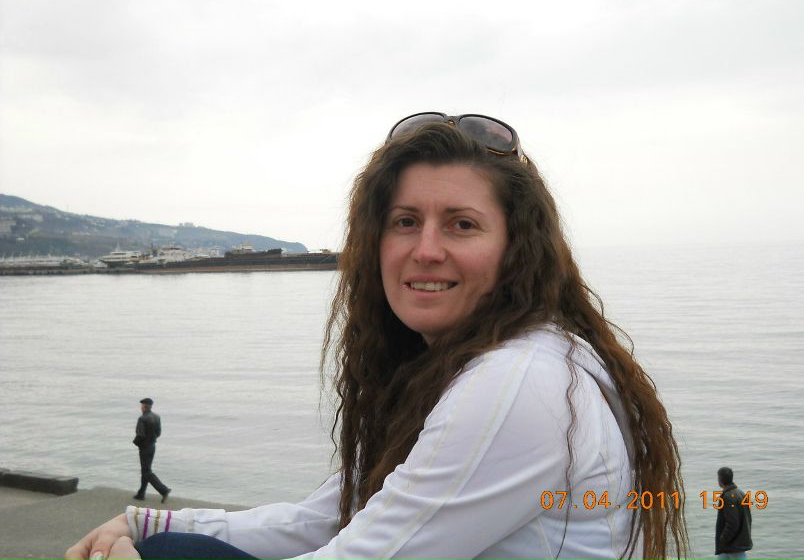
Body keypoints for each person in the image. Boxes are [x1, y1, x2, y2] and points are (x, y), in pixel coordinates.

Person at [66, 112, 688, 560]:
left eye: (462, 225)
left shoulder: (519, 381)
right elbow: (318, 522)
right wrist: (141, 524)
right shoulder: (465, 368)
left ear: (516, 250)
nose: (426, 250)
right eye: (406, 222)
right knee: (171, 546)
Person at [132, 397, 171, 504]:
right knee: (145, 469)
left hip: (144, 447)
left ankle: (163, 490)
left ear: (144, 406)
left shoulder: (142, 418)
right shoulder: (156, 417)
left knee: (147, 471)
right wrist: (151, 440)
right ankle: (141, 493)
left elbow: (140, 435)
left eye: (141, 405)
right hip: (152, 446)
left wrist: (135, 442)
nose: (141, 407)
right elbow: (158, 433)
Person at [715, 467, 753, 559]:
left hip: (732, 545)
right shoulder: (741, 493)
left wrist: (722, 539)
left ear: (720, 479)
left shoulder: (728, 497)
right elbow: (748, 518)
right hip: (736, 543)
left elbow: (732, 523)